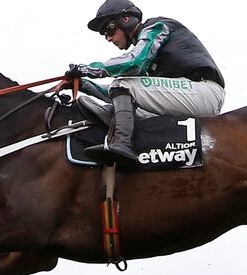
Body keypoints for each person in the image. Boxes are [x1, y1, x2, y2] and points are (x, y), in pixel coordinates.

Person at [66, 0, 225, 166]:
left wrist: (86, 69)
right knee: (119, 105)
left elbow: (134, 62)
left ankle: (121, 144)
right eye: (104, 33)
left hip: (203, 90)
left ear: (125, 19)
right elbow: (121, 94)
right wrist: (83, 85)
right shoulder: (149, 56)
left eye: (109, 28)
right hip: (190, 95)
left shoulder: (156, 26)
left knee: (122, 84)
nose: (108, 37)